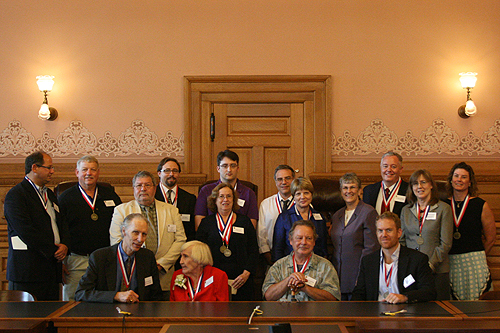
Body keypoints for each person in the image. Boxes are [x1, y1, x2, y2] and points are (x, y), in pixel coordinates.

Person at [110, 171, 186, 299]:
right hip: (133, 275)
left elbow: (180, 240)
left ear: (155, 188)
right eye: (139, 185)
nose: (143, 189)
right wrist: (144, 264)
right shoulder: (121, 210)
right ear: (133, 188)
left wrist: (161, 264)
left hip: (164, 275)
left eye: (147, 185)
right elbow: (116, 241)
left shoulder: (171, 210)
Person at [4, 151, 69, 300]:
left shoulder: (50, 195)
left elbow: (62, 223)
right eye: (49, 167)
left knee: (50, 318)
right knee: (28, 319)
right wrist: (54, 250)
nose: (52, 171)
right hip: (27, 272)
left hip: (51, 270)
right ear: (34, 168)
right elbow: (25, 231)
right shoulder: (16, 195)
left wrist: (65, 245)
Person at [59, 155, 122, 301]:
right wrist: (61, 262)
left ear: (98, 173)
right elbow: (59, 230)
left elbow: (120, 225)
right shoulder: (65, 198)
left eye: (93, 169)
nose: (89, 173)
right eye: (84, 169)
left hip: (105, 260)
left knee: (103, 301)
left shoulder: (110, 195)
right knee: (73, 302)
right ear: (77, 172)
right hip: (76, 260)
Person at [75, 214, 163, 303]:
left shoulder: (148, 257)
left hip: (139, 313)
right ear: (124, 231)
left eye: (144, 234)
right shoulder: (100, 257)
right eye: (135, 233)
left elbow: (156, 296)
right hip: (107, 313)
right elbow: (81, 293)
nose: (140, 239)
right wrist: (115, 296)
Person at [352, 212, 436, 303]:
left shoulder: (417, 259)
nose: (384, 235)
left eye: (388, 230)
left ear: (399, 232)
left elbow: (429, 292)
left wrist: (405, 297)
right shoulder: (368, 261)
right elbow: (359, 294)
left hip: (406, 313)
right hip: (375, 313)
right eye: (380, 230)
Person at [196, 183, 259, 301]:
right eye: (221, 196)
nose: (226, 200)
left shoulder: (244, 222)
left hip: (242, 280)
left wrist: (246, 274)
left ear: (234, 200)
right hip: (213, 279)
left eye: (229, 196)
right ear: (214, 200)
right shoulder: (206, 223)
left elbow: (253, 250)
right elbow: (200, 252)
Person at [444, 162, 496, 300]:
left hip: (475, 261)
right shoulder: (442, 204)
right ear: (451, 180)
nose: (459, 180)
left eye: (463, 177)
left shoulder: (480, 205)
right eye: (456, 176)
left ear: (470, 182)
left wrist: (478, 257)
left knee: (478, 305)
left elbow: (491, 238)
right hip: (450, 262)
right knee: (454, 305)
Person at [400, 169, 453, 300]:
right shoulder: (406, 211)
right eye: (415, 183)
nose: (420, 187)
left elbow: (446, 243)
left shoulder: (443, 209)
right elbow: (402, 241)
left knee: (439, 312)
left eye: (423, 182)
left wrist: (430, 265)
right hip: (412, 271)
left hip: (437, 270)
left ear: (431, 185)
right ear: (411, 188)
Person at [263, 220, 340, 301]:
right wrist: (288, 281)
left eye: (308, 238)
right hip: (284, 313)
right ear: (291, 240)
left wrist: (305, 288)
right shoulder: (278, 266)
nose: (303, 242)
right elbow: (268, 297)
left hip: (315, 313)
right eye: (299, 238)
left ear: (314, 242)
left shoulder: (326, 266)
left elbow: (333, 299)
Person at [330, 172, 379, 300]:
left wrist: (361, 276)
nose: (348, 191)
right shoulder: (337, 215)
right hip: (337, 277)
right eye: (345, 188)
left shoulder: (369, 212)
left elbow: (371, 248)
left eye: (352, 187)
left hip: (357, 277)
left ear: (359, 191)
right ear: (341, 191)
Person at [194, 150, 258, 230]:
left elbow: (252, 226)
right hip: (211, 238)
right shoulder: (206, 190)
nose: (229, 170)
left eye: (233, 166)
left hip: (240, 238)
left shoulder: (249, 193)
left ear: (238, 168)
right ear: (218, 169)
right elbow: (199, 222)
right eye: (225, 166)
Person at [272, 177, 328, 262]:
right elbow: (278, 249)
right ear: (293, 197)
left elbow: (323, 247)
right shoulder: (284, 218)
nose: (303, 197)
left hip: (315, 266)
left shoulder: (320, 218)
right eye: (298, 194)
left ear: (311, 195)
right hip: (290, 266)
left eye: (306, 193)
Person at [258, 165, 296, 266]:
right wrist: (271, 260)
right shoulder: (266, 204)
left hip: (298, 258)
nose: (284, 182)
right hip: (271, 259)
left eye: (287, 178)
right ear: (275, 181)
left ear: (294, 180)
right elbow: (261, 236)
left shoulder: (303, 203)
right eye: (280, 179)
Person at [155, 157, 197, 241]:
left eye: (175, 171)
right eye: (167, 171)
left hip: (183, 246)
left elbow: (192, 230)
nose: (171, 174)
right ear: (159, 173)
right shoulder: (152, 197)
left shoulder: (190, 199)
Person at [363, 151, 409, 216]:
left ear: (400, 169)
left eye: (393, 166)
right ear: (381, 168)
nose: (389, 170)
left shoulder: (409, 190)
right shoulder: (368, 191)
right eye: (385, 166)